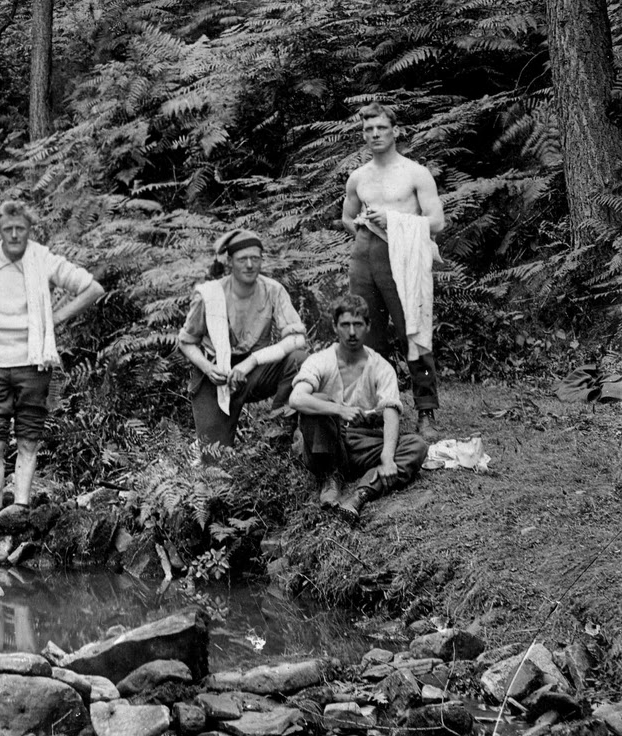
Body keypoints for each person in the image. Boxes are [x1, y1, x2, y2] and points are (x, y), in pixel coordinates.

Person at [0, 198, 103, 526]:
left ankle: (21, 511)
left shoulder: (43, 260)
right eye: (8, 229)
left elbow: (91, 288)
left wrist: (55, 318)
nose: (14, 235)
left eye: (20, 229)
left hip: (34, 364)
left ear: (29, 230)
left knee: (28, 439)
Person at [342, 101, 445, 433]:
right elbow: (347, 217)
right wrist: (364, 227)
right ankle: (376, 409)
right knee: (366, 333)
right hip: (364, 256)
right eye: (368, 129)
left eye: (381, 128)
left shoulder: (415, 173)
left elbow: (437, 222)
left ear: (395, 131)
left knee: (412, 330)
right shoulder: (358, 177)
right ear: (363, 134)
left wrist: (394, 221)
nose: (375, 134)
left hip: (402, 255)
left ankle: (426, 411)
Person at [288, 294, 428, 524]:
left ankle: (361, 494)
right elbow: (296, 398)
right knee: (317, 401)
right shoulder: (320, 361)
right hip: (328, 442)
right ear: (335, 327)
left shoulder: (380, 366)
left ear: (368, 326)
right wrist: (338, 410)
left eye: (358, 325)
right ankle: (330, 478)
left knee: (416, 446)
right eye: (345, 325)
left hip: (364, 442)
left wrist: (387, 456)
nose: (352, 332)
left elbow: (391, 411)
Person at [176, 228, 309, 458]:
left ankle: (278, 431)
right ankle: (204, 450)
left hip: (253, 371)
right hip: (215, 375)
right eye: (242, 259)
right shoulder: (209, 295)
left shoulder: (273, 290)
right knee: (214, 459)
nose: (249, 265)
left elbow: (297, 338)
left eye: (255, 258)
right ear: (230, 262)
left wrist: (252, 361)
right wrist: (208, 369)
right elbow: (186, 342)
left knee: (298, 360)